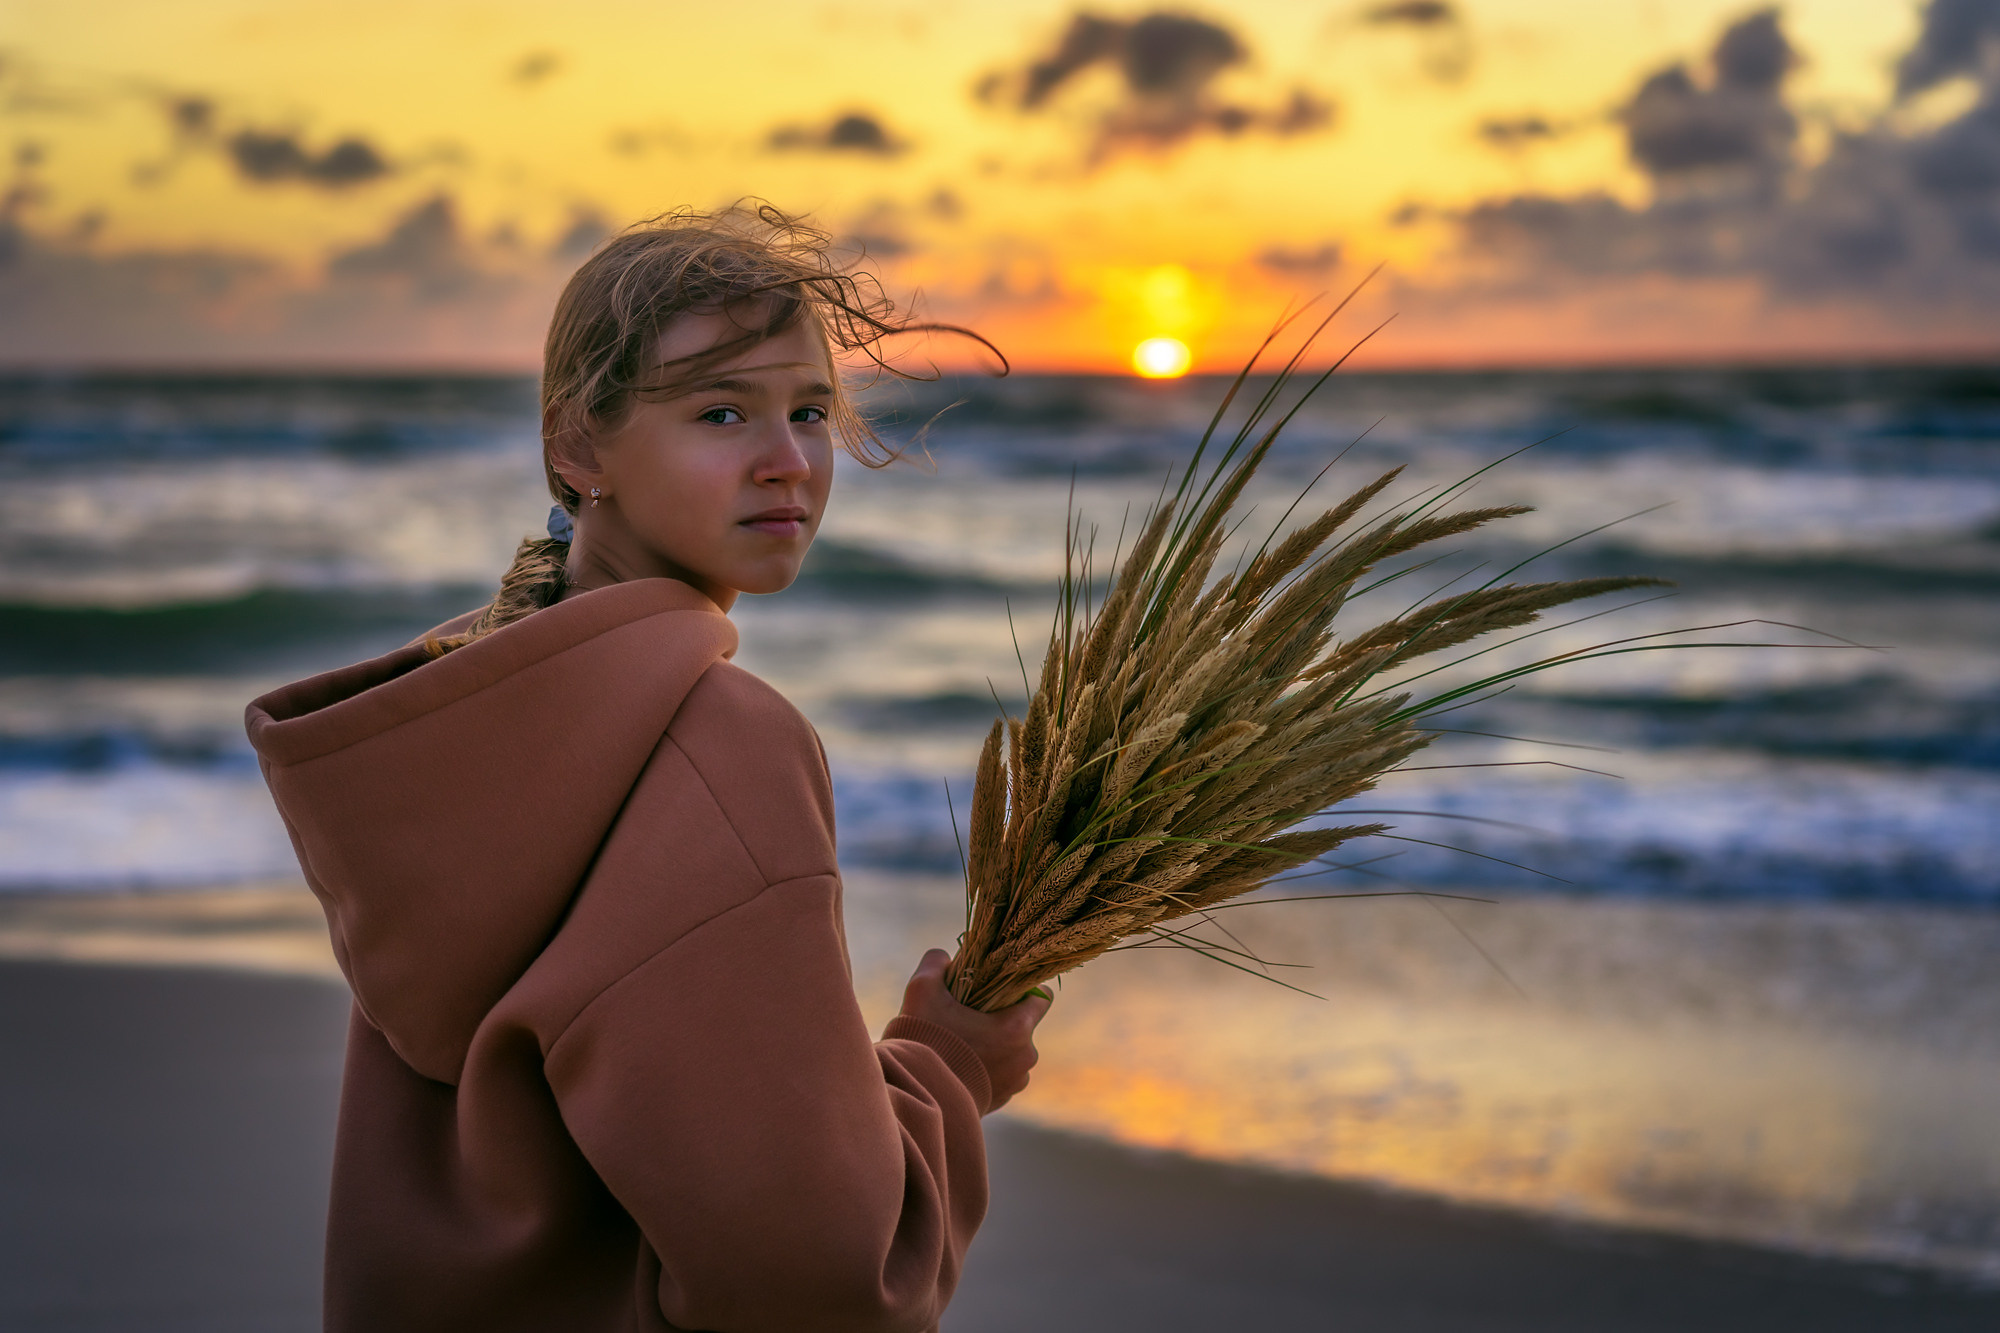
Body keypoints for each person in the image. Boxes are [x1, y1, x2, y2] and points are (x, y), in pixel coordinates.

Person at [245, 204, 1049, 1333]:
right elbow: (817, 1283)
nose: (787, 461)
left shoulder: (463, 714)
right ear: (578, 447)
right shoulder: (715, 739)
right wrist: (946, 1066)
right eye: (722, 411)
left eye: (809, 410)